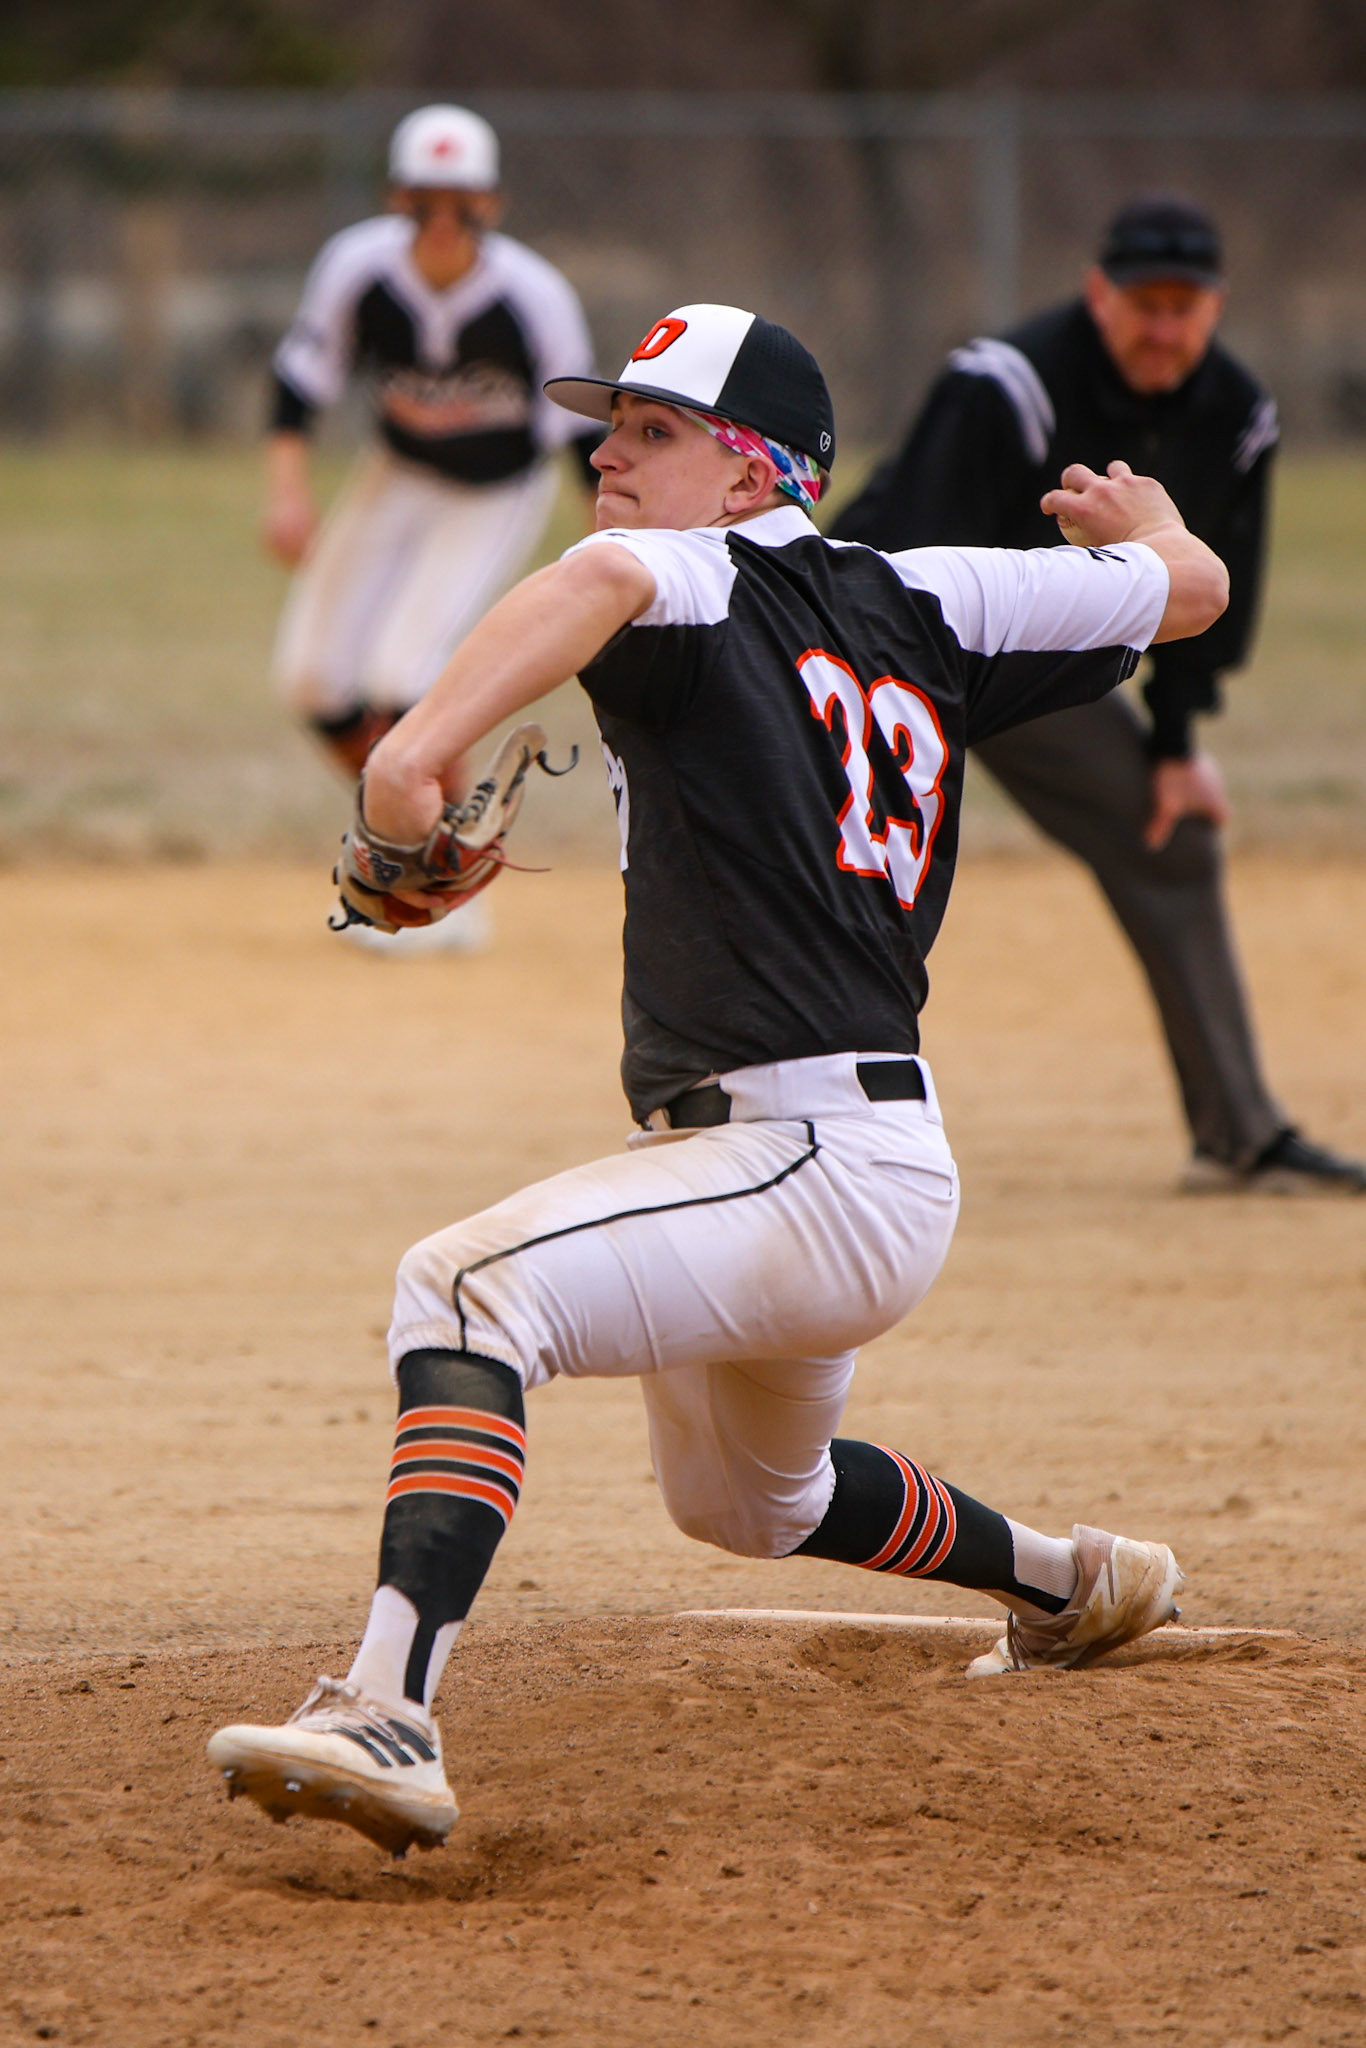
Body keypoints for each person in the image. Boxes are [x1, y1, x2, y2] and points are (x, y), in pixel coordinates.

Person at [208, 303, 1226, 1856]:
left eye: (653, 431)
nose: (605, 453)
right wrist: (1151, 523)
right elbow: (1188, 592)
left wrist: (406, 768)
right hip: (851, 1171)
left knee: (465, 1292)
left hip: (799, 1159)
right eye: (608, 422)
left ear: (753, 474)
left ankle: (385, 1708)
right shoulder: (931, 592)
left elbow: (607, 576)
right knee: (750, 1504)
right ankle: (1077, 1582)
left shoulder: (678, 569)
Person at [833, 195, 1364, 1195]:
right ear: (1096, 295)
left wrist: (1172, 745)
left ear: (1215, 308)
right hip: (880, 646)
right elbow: (902, 542)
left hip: (1039, 660)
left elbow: (1212, 594)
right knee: (843, 862)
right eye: (1142, 303)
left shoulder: (1236, 413)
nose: (1162, 328)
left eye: (1185, 305)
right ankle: (792, 1119)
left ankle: (1237, 1133)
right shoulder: (1007, 381)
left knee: (1174, 839)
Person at [265, 102, 601, 955]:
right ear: (395, 198)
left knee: (402, 677)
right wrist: (287, 492)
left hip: (494, 492)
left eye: (463, 200)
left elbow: (579, 436)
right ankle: (410, 840)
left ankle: (444, 886)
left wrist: (607, 549)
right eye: (426, 199)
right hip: (396, 478)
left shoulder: (532, 295)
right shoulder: (358, 266)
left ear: (493, 204)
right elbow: (303, 377)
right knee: (312, 678)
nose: (443, 220)